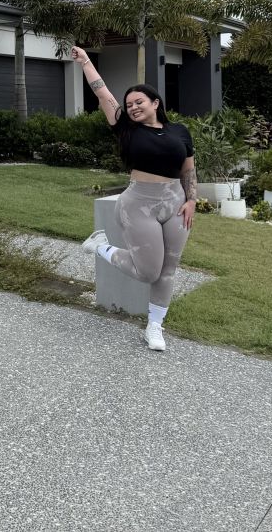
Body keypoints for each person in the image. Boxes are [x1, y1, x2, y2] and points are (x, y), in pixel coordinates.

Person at [70, 46, 196, 351]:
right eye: (129, 104)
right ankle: (100, 246)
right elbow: (103, 95)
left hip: (176, 204)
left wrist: (192, 200)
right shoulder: (125, 129)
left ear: (155, 103)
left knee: (167, 272)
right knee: (148, 271)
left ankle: (155, 327)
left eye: (139, 101)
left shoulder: (179, 131)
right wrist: (86, 62)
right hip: (139, 204)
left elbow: (189, 169)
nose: (133, 107)